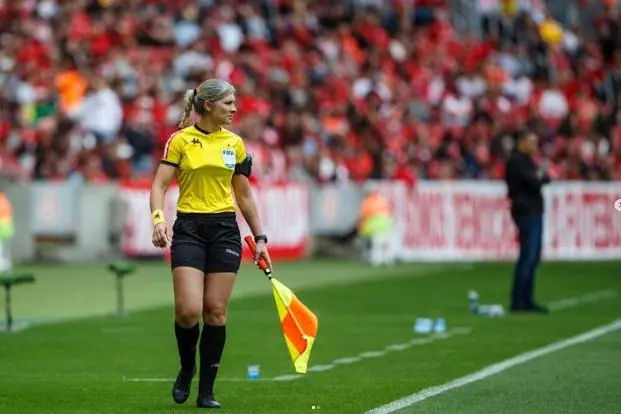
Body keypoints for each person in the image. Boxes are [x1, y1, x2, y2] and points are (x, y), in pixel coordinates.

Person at [149, 79, 271, 409]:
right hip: (188, 229)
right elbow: (159, 185)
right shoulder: (180, 140)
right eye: (228, 103)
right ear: (208, 106)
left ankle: (206, 391)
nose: (234, 109)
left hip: (224, 231)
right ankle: (187, 368)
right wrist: (158, 220)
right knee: (188, 311)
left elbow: (244, 195)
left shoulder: (236, 144)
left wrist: (260, 238)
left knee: (215, 311)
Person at [504, 129, 550, 314]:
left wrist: (540, 176)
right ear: (521, 142)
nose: (534, 146)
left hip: (531, 211)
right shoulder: (518, 161)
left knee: (532, 256)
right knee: (528, 256)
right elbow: (537, 181)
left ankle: (525, 298)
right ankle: (520, 300)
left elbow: (544, 178)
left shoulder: (526, 162)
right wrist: (539, 175)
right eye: (531, 142)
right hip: (526, 211)